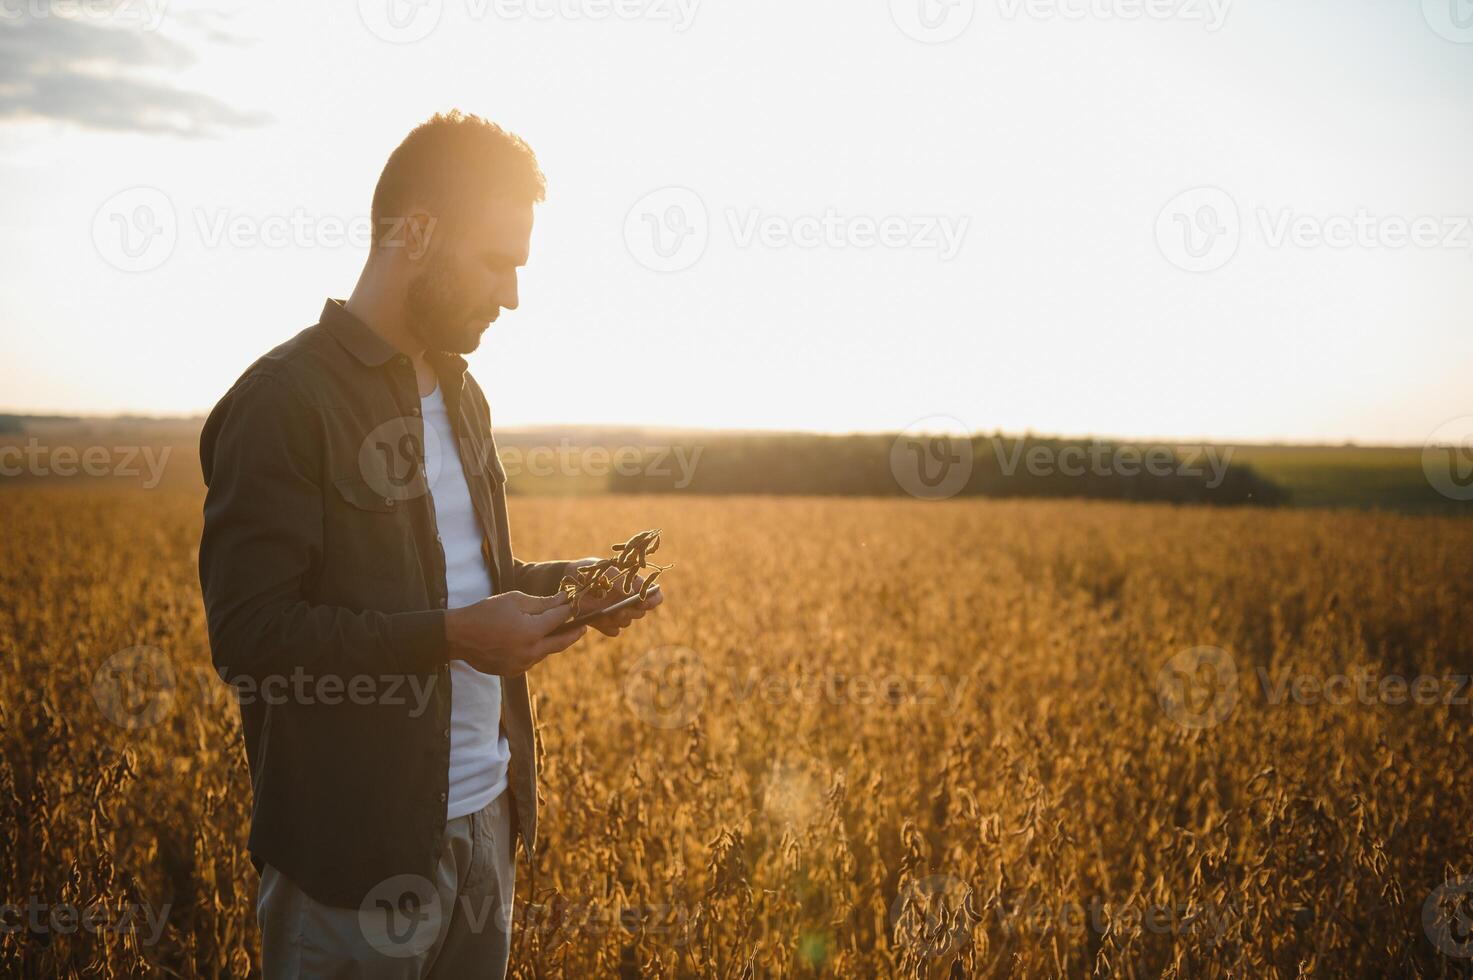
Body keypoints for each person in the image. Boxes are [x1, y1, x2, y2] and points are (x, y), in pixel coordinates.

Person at [197, 109, 663, 978]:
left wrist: (576, 586)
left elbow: (471, 582)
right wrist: (450, 639)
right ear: (414, 232)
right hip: (353, 861)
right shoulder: (282, 403)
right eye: (497, 262)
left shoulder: (463, 391)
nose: (513, 295)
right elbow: (251, 638)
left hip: (488, 827)